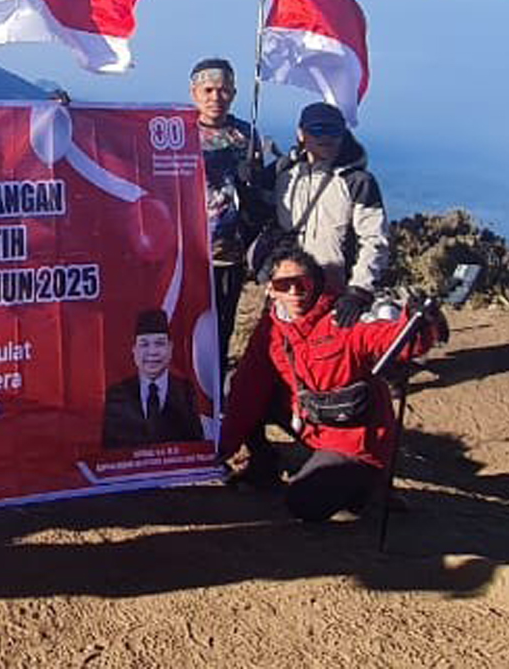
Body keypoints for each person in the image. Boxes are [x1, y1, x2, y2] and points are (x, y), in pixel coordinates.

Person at [220, 246, 446, 522]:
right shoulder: (270, 330)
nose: (294, 292)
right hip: (311, 420)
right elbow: (246, 392)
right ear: (270, 289)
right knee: (235, 385)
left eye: (302, 283)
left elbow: (390, 340)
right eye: (283, 284)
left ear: (315, 283)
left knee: (302, 503)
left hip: (353, 438)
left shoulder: (342, 316)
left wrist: (419, 323)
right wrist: (221, 451)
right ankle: (263, 466)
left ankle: (369, 485)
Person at [263, 101, 390, 323]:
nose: (326, 137)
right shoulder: (283, 174)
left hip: (336, 295)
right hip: (290, 292)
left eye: (334, 130)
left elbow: (374, 240)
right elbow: (262, 219)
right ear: (301, 134)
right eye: (317, 129)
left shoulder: (357, 181)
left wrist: (358, 290)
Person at [189, 58, 275, 366]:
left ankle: (216, 389)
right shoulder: (178, 130)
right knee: (186, 328)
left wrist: (254, 181)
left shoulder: (246, 134)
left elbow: (262, 193)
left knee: (222, 329)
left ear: (234, 93)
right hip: (188, 254)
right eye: (208, 90)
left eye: (224, 90)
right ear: (194, 93)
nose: (216, 97)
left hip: (230, 255)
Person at [100, 308, 205, 447]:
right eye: (144, 344)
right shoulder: (117, 394)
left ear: (170, 348)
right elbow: (110, 451)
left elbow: (196, 446)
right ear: (134, 350)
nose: (152, 352)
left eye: (159, 343)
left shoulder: (186, 391)